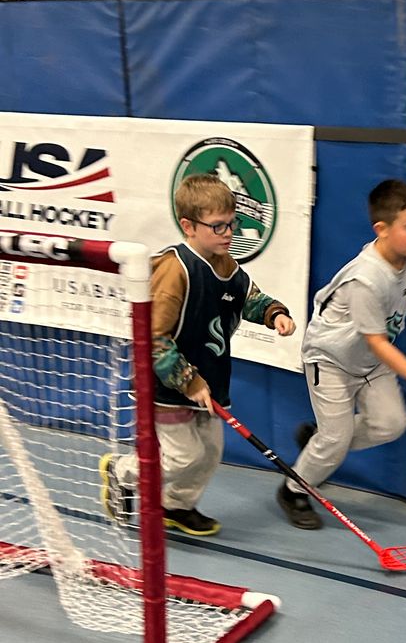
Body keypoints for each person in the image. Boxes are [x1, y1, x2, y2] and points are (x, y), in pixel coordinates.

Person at [277, 178, 406, 529]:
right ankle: (293, 489)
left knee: (390, 423)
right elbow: (378, 342)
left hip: (369, 361)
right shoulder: (366, 280)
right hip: (331, 360)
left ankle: (318, 445)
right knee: (336, 440)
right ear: (381, 230)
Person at [100, 174, 296, 537]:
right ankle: (122, 473)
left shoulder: (230, 269)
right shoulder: (175, 269)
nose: (228, 233)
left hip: (210, 382)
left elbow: (251, 299)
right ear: (189, 226)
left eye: (232, 223)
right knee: (182, 456)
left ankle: (176, 506)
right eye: (218, 226)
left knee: (208, 454)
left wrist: (275, 314)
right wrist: (188, 381)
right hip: (170, 387)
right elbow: (152, 337)